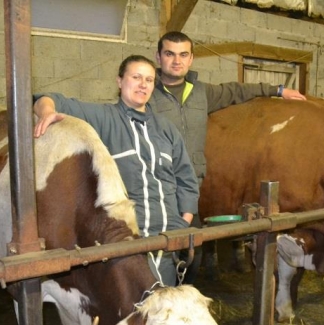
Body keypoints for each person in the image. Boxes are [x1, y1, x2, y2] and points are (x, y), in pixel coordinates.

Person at [150, 31, 307, 284]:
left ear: (191, 59)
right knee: (156, 255)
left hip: (189, 192)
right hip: (155, 190)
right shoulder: (147, 93)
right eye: (169, 54)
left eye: (183, 54)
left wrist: (278, 90)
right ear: (158, 57)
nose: (176, 61)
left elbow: (237, 91)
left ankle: (178, 306)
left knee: (193, 255)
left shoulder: (200, 92)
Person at [33, 55, 199, 287]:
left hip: (170, 238)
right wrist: (46, 111)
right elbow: (46, 98)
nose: (143, 84)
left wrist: (183, 221)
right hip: (129, 240)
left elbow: (186, 179)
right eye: (136, 77)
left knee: (166, 306)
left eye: (149, 80)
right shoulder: (103, 118)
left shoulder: (166, 129)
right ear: (120, 81)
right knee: (136, 304)